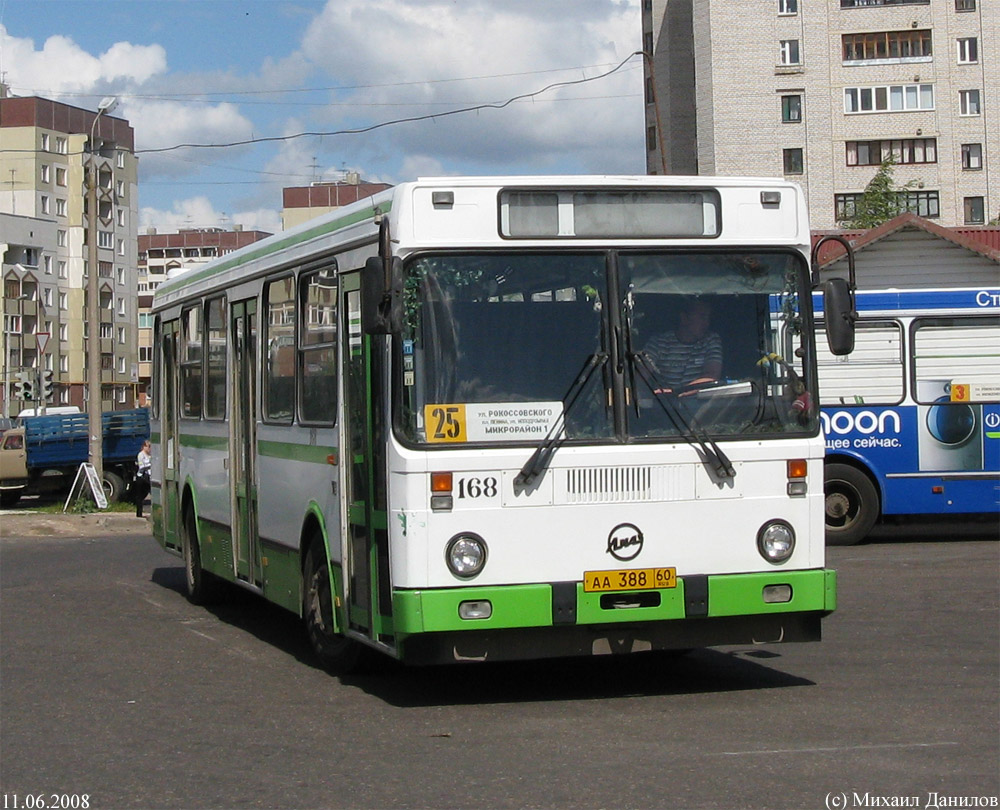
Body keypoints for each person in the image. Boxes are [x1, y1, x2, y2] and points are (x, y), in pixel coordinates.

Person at [643, 298, 723, 393]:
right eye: (702, 317)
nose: (706, 323)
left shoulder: (711, 340)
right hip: (662, 404)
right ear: (684, 318)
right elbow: (640, 373)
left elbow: (711, 375)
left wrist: (677, 393)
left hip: (698, 405)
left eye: (708, 318)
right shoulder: (659, 342)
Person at [133, 440, 151, 517]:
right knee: (140, 495)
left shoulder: (150, 455)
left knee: (148, 492)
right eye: (148, 446)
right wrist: (150, 464)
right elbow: (141, 467)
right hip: (141, 477)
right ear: (144, 447)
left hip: (148, 476)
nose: (149, 449)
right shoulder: (141, 455)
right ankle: (139, 513)